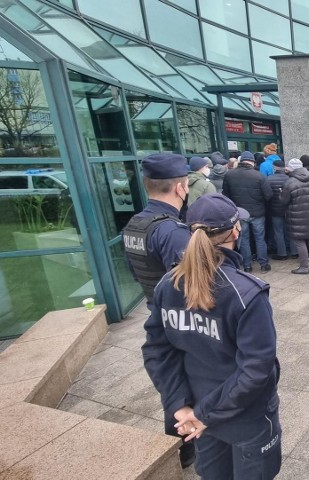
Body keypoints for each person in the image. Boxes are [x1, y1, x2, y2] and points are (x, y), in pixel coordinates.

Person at [141, 193, 281, 480]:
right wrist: (200, 413)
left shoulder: (168, 283)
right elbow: (256, 369)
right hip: (245, 418)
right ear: (236, 231)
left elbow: (157, 351)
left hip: (196, 408)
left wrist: (181, 406)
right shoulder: (247, 293)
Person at [122, 152, 194, 468]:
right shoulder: (173, 232)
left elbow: (134, 270)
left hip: (155, 311)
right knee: (189, 384)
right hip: (180, 322)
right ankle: (192, 444)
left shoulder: (134, 225)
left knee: (172, 382)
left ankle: (181, 446)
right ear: (180, 187)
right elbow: (189, 289)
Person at [222, 151, 273, 273]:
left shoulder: (229, 175)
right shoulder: (259, 176)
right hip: (258, 213)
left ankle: (247, 266)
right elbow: (269, 195)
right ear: (252, 162)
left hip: (240, 213)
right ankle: (264, 264)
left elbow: (226, 195)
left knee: (243, 240)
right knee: (260, 238)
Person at [280, 158, 309, 274]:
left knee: (299, 241)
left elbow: (284, 201)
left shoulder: (290, 182)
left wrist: (280, 192)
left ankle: (304, 267)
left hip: (296, 216)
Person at [266, 159, 298, 260]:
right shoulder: (289, 179)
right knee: (291, 231)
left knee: (278, 232)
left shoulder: (268, 179)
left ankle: (282, 253)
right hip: (288, 209)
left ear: (274, 168)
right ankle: (294, 252)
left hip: (275, 210)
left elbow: (267, 196)